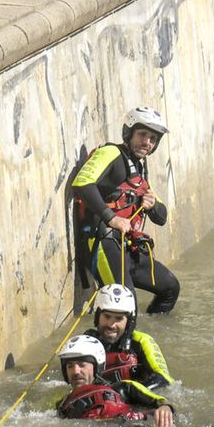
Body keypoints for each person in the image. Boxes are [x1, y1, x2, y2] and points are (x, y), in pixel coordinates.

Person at [71, 107, 180, 314]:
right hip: (103, 243)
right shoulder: (111, 153)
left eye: (153, 139)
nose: (147, 142)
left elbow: (162, 217)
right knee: (126, 306)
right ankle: (119, 339)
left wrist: (152, 204)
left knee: (170, 287)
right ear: (129, 133)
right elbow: (82, 183)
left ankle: (143, 336)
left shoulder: (138, 170)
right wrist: (111, 218)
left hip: (127, 248)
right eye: (142, 135)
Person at [53, 334, 174, 427]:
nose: (75, 371)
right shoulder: (63, 402)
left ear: (97, 367)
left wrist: (165, 407)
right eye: (70, 366)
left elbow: (157, 400)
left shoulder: (122, 387)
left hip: (125, 421)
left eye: (82, 365)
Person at [87, 283, 173, 392]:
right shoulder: (86, 343)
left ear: (128, 321)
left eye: (119, 318)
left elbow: (164, 379)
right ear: (97, 316)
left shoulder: (141, 341)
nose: (111, 325)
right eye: (107, 316)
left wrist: (128, 393)